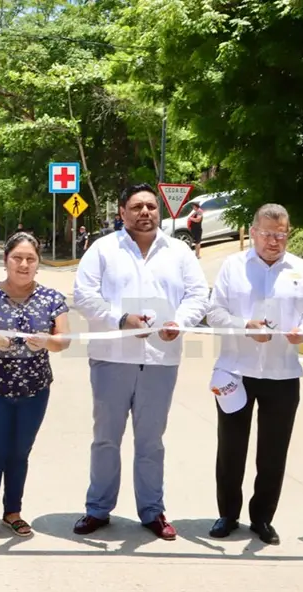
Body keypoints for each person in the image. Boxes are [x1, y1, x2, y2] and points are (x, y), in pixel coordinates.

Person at [71, 183, 209, 540]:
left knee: (151, 441)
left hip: (161, 361)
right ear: (122, 212)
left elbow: (197, 296)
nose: (145, 212)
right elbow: (84, 296)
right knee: (106, 439)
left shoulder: (178, 252)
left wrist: (181, 322)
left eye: (150, 206)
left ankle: (152, 510)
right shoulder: (102, 249)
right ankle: (98, 509)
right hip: (111, 358)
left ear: (158, 211)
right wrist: (120, 319)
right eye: (136, 207)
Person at [206, 204, 303, 545]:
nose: (275, 241)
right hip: (236, 371)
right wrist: (244, 326)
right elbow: (215, 314)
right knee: (231, 448)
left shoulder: (301, 269)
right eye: (269, 234)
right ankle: (227, 514)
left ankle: (262, 518)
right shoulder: (233, 266)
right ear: (254, 231)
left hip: (283, 373)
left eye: (282, 234)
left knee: (273, 452)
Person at [0, 232, 70, 541]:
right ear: (6, 261)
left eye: (30, 259)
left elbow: (64, 340)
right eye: (17, 258)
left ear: (38, 263)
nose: (24, 264)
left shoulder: (52, 299)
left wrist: (48, 341)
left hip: (34, 390)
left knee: (20, 453)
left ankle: (13, 513)